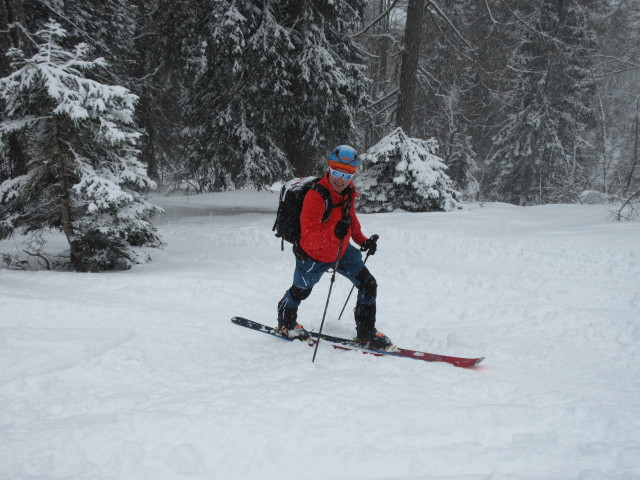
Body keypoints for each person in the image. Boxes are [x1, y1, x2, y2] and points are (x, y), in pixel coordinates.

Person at [277, 145, 394, 350]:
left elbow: (351, 221)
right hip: (313, 257)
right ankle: (286, 322)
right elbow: (307, 237)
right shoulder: (316, 196)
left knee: (369, 284)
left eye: (347, 174)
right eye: (337, 172)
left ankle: (366, 333)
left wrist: (362, 241)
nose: (341, 179)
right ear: (329, 168)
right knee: (300, 291)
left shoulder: (348, 193)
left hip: (342, 252)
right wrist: (334, 233)